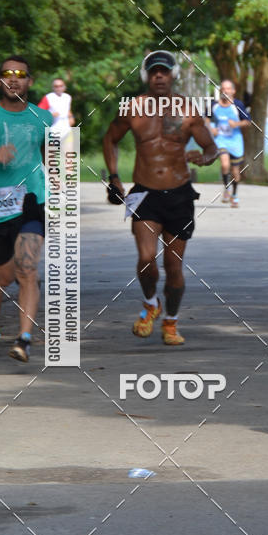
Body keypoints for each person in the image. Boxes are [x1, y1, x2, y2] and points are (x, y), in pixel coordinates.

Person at [102, 50, 218, 345]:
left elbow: (210, 148)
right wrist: (114, 177)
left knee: (174, 265)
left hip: (179, 194)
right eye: (154, 72)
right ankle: (151, 303)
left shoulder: (188, 110)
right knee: (145, 258)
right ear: (146, 76)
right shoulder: (132, 108)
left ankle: (171, 321)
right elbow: (110, 139)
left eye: (164, 72)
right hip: (144, 192)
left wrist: (203, 159)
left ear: (172, 75)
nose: (159, 77)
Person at [0, 56, 52, 361]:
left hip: (30, 203)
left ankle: (24, 339)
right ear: (0, 82)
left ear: (30, 81)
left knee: (27, 269)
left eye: (21, 74)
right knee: (0, 275)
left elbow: (54, 159)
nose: (14, 79)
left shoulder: (43, 117)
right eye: (7, 74)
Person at [208, 80, 251, 207]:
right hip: (220, 140)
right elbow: (204, 118)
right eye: (223, 89)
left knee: (236, 172)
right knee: (225, 164)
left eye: (228, 89)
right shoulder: (214, 105)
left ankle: (235, 195)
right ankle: (226, 188)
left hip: (235, 142)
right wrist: (211, 128)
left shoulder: (237, 105)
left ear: (233, 91)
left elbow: (248, 121)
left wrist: (236, 124)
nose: (225, 91)